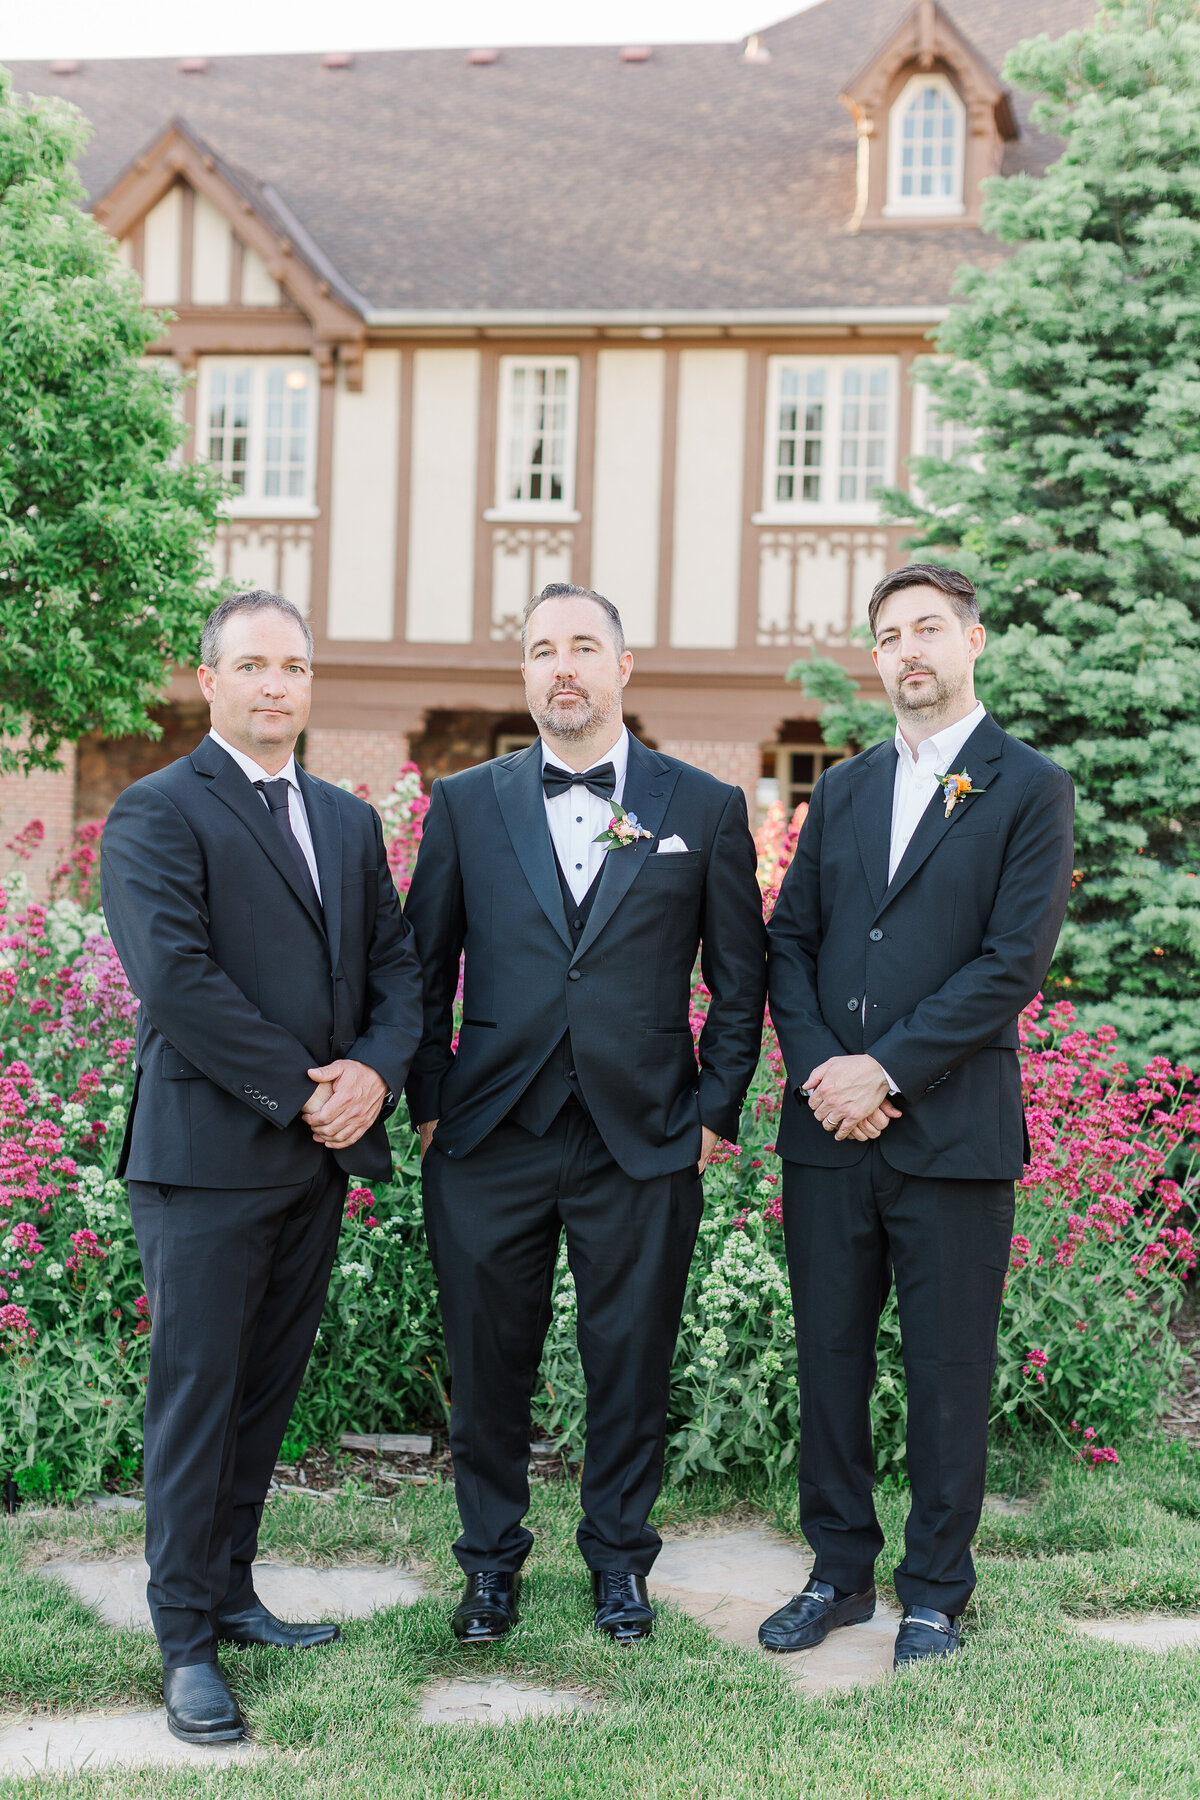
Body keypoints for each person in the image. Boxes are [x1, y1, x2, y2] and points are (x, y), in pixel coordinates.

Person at [403, 581, 767, 1646]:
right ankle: (489, 1569)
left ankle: (619, 1563)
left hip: (645, 1135)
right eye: (541, 650)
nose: (562, 666)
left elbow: (738, 978)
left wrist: (718, 1108)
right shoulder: (467, 803)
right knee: (487, 1364)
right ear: (524, 672)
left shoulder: (698, 806)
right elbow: (422, 969)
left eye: (582, 648)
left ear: (622, 667)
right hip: (486, 1132)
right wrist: (428, 1098)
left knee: (631, 1360)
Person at [101, 589, 422, 1745]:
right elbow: (178, 983)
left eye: (292, 666)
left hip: (315, 1163)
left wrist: (375, 1074)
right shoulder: (154, 812)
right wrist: (304, 1088)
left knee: (263, 1393)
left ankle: (231, 1590)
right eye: (251, 666)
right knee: (197, 1399)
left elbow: (396, 965)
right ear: (210, 681)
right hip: (204, 1162)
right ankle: (184, 1639)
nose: (275, 685)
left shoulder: (343, 818)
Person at [761, 564, 1074, 1669]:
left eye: (928, 629)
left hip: (952, 1137)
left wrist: (884, 1072)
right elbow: (789, 938)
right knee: (830, 1360)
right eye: (890, 635)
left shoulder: (1029, 787)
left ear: (973, 641)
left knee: (947, 1374)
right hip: (828, 1137)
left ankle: (936, 1593)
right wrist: (822, 1073)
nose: (909, 651)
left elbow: (1009, 966)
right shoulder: (843, 791)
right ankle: (838, 1576)